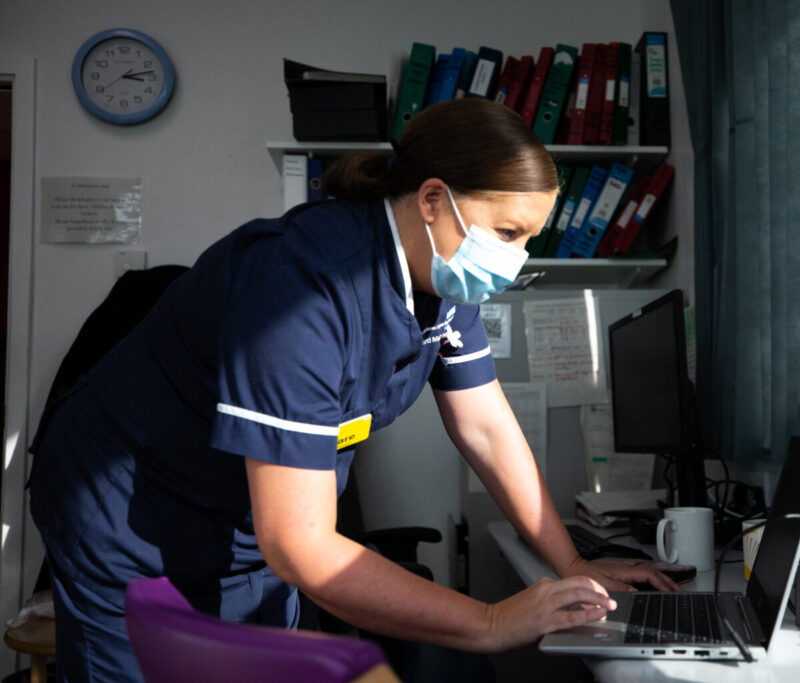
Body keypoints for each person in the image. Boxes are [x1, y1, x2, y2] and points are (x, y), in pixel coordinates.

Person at [28, 98, 679, 682]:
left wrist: (570, 562)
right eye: (507, 232)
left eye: (528, 238)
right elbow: (301, 544)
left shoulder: (444, 283)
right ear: (431, 200)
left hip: (246, 517)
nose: (516, 258)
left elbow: (486, 426)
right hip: (124, 510)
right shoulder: (300, 291)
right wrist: (489, 621)